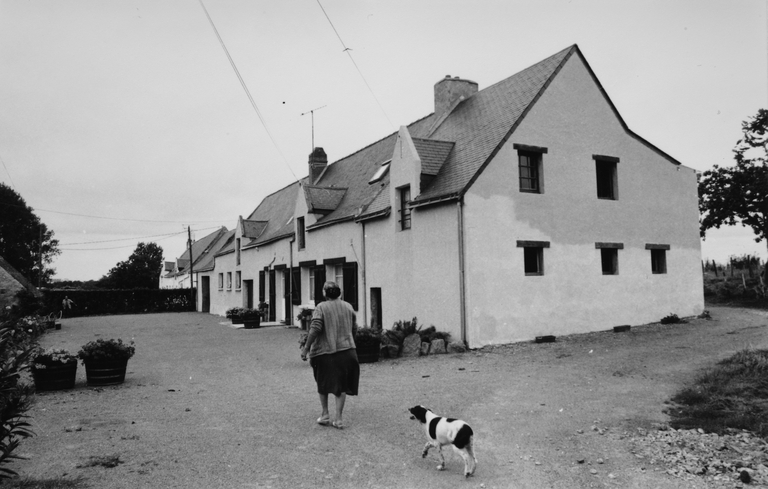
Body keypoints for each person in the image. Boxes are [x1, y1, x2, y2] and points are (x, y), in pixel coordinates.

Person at [300, 281, 359, 429]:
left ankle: (325, 414)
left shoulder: (321, 307)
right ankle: (338, 419)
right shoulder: (348, 306)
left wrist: (306, 348)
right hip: (347, 351)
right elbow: (354, 329)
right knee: (342, 385)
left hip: (326, 352)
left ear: (325, 293)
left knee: (323, 382)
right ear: (339, 292)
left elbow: (315, 328)